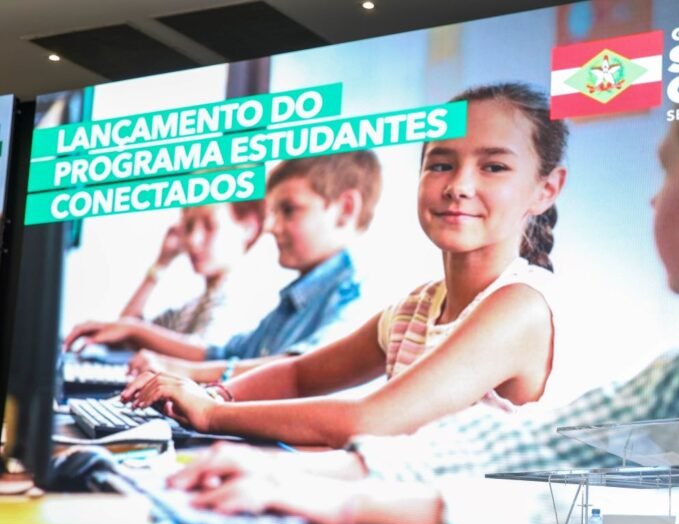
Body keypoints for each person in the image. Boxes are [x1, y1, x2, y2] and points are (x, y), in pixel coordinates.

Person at [156, 25, 679, 524]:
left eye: (667, 167)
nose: (653, 196)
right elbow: (538, 448)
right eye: (440, 162)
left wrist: (240, 425)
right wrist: (322, 479)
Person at [121, 81, 568, 448]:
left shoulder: (520, 306)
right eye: (440, 165)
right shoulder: (414, 309)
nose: (458, 186)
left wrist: (212, 412)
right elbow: (299, 375)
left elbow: (371, 419)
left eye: (493, 167)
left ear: (546, 189)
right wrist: (217, 393)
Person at [117, 151, 383, 383]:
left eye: (288, 210)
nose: (271, 227)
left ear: (345, 209)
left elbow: (304, 370)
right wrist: (135, 331)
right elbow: (224, 355)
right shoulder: (294, 301)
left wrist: (184, 372)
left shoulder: (354, 296)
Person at [64, 201, 267, 352]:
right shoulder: (194, 307)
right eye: (189, 227)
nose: (193, 240)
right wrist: (161, 263)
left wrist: (133, 329)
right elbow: (125, 336)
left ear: (248, 228)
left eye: (209, 226)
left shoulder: (244, 303)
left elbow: (209, 355)